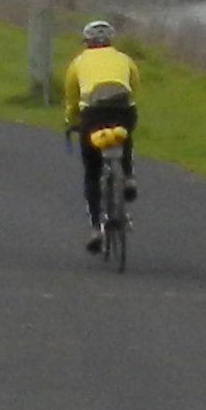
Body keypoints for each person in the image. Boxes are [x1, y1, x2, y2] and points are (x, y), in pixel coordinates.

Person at [62, 18, 143, 247]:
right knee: (124, 135)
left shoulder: (77, 62)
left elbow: (71, 99)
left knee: (92, 171)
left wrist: (71, 122)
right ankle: (128, 177)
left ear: (86, 41)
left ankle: (96, 228)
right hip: (123, 110)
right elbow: (135, 87)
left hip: (92, 114)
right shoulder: (124, 59)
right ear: (110, 40)